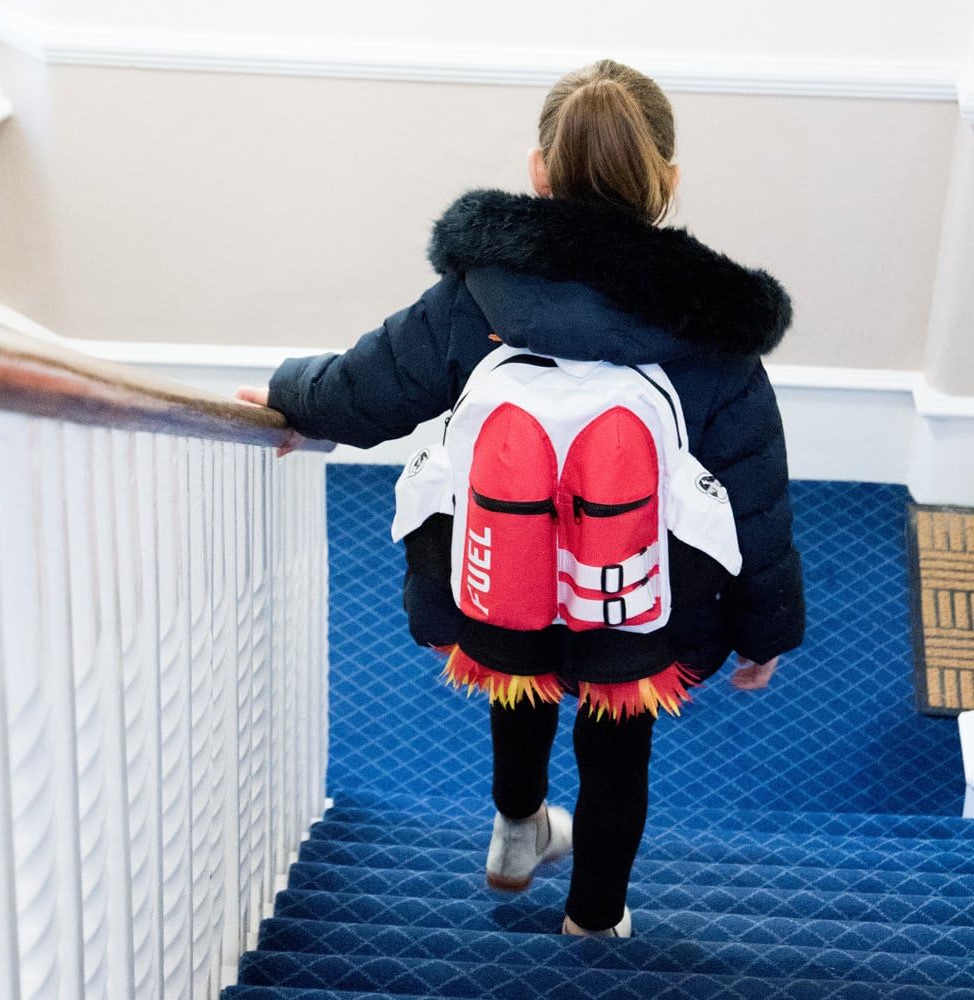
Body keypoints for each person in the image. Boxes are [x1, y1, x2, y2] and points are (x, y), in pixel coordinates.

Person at [236, 58, 805, 939]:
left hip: (504, 575)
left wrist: (287, 393)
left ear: (539, 171)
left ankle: (516, 831)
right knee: (618, 749)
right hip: (638, 605)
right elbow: (756, 496)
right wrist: (765, 632)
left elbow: (368, 388)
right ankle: (595, 919)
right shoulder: (713, 331)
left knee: (523, 677)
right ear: (669, 180)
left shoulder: (480, 291)